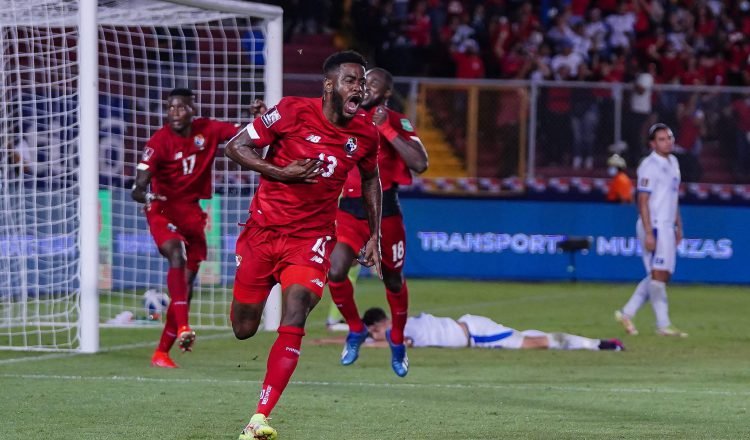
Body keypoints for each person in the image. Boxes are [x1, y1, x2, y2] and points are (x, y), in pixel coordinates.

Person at [225, 51, 382, 440]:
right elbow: (235, 147)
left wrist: (375, 233)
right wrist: (280, 172)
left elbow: (370, 180)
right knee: (243, 328)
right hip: (263, 234)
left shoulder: (365, 134)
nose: (358, 88)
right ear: (329, 85)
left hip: (310, 240)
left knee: (295, 313)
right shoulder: (292, 111)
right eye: (350, 80)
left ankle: (258, 417)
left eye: (361, 82)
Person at [328, 67, 429, 378]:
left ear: (385, 93)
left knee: (393, 280)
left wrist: (386, 129)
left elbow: (420, 163)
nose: (365, 87)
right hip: (348, 211)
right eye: (362, 81)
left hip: (385, 212)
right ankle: (356, 329)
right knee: (335, 269)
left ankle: (396, 339)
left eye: (372, 83)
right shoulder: (343, 116)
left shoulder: (398, 121)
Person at [132, 88, 240, 368]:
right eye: (170, 108)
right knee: (175, 254)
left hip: (192, 212)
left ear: (192, 109)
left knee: (187, 285)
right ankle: (183, 327)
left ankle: (161, 353)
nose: (175, 112)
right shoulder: (159, 141)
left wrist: (260, 119)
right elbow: (139, 182)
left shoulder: (208, 129)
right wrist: (142, 191)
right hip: (162, 207)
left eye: (181, 107)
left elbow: (243, 134)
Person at [615, 123, 687, 338]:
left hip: (667, 225)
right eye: (662, 139)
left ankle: (626, 313)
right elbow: (643, 200)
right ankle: (663, 325)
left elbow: (673, 197)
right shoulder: (649, 165)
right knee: (657, 276)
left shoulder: (673, 162)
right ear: (652, 144)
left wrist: (678, 226)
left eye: (670, 137)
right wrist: (648, 232)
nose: (668, 142)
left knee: (662, 275)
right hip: (654, 224)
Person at [358, 307, 624, 351]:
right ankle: (596, 343)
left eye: (374, 333)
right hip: (473, 329)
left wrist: (367, 345)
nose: (375, 337)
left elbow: (403, 345)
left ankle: (599, 344)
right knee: (529, 339)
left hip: (477, 334)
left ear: (381, 325)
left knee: (535, 344)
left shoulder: (402, 329)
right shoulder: (402, 319)